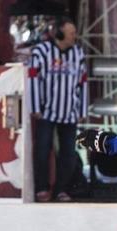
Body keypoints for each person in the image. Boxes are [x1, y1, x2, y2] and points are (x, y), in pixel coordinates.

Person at [29, 17, 87, 202]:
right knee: (42, 151)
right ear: (60, 33)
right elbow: (32, 78)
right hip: (46, 110)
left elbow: (83, 82)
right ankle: (42, 188)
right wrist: (35, 106)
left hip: (70, 111)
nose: (74, 37)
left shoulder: (78, 53)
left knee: (68, 154)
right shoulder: (41, 51)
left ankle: (62, 189)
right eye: (71, 33)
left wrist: (82, 110)